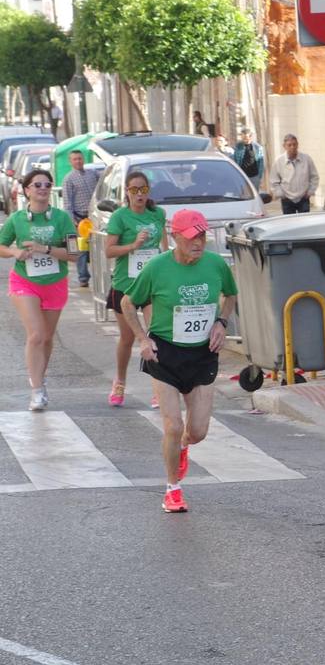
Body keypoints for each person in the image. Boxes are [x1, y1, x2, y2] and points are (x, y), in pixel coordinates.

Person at [120, 209, 237, 514]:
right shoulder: (157, 267)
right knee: (172, 425)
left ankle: (184, 445)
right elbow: (127, 302)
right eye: (191, 237)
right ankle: (173, 489)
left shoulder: (215, 264)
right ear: (175, 238)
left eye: (202, 235)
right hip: (166, 352)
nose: (198, 242)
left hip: (202, 354)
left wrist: (221, 322)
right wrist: (143, 339)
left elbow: (231, 295)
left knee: (196, 431)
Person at [1, 169, 77, 411]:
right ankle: (36, 389)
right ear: (27, 191)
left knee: (46, 338)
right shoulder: (16, 219)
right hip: (25, 281)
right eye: (37, 185)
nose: (43, 188)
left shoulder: (63, 219)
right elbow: (1, 245)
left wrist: (45, 249)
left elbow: (74, 254)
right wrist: (14, 252)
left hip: (55, 283)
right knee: (35, 335)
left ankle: (39, 379)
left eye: (46, 184)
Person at [102, 170, 167, 408]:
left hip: (152, 285)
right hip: (126, 285)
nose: (139, 195)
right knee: (128, 339)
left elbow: (165, 247)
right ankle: (119, 381)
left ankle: (157, 388)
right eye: (134, 190)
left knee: (155, 335)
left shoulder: (158, 214)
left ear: (148, 191)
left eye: (143, 190)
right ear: (126, 193)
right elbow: (108, 251)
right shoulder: (120, 216)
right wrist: (133, 245)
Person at [61, 150, 102, 288]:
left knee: (97, 248)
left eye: (79, 158)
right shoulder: (68, 179)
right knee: (81, 250)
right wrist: (71, 220)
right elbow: (67, 202)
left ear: (83, 159)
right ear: (70, 162)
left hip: (94, 218)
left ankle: (99, 276)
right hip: (80, 220)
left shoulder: (93, 174)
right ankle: (83, 277)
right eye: (74, 159)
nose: (78, 161)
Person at [268, 134, 318, 214]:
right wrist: (280, 194)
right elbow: (273, 180)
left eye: (294, 144)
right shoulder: (279, 161)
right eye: (289, 145)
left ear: (297, 145)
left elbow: (314, 177)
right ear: (284, 146)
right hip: (287, 198)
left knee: (304, 222)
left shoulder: (306, 159)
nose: (292, 147)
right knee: (290, 223)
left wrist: (310, 191)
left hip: (303, 197)